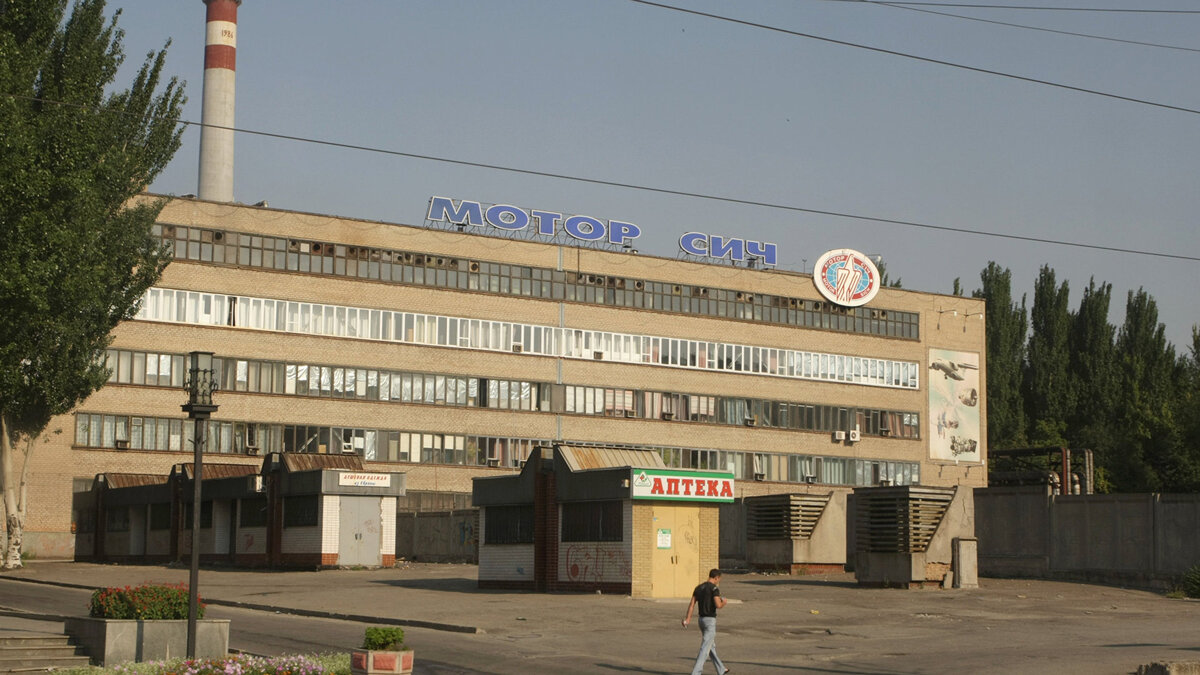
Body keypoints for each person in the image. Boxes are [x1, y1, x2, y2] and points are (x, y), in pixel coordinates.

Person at [681, 568, 729, 675]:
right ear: (716, 578)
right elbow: (718, 605)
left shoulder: (698, 588)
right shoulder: (714, 589)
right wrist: (724, 602)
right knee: (704, 649)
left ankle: (721, 669)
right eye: (719, 579)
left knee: (710, 646)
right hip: (710, 621)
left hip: (701, 620)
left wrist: (687, 619)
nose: (718, 581)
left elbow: (692, 604)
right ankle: (696, 673)